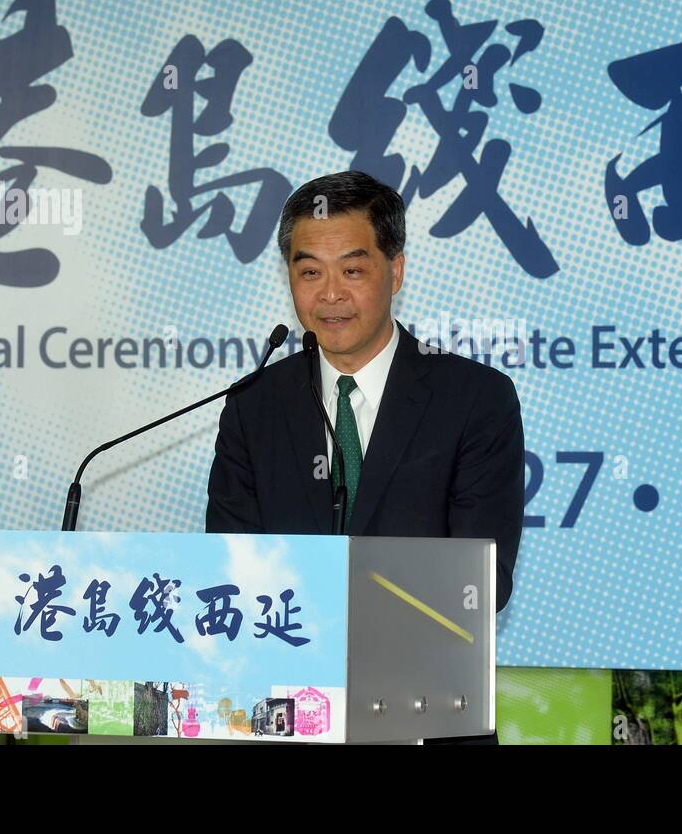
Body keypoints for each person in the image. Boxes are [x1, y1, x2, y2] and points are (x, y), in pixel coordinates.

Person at [205, 170, 524, 745]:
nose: (329, 294)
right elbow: (231, 570)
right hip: (284, 721)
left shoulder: (473, 399)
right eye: (309, 272)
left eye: (352, 270)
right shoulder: (255, 405)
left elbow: (482, 583)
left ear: (395, 270)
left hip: (427, 718)